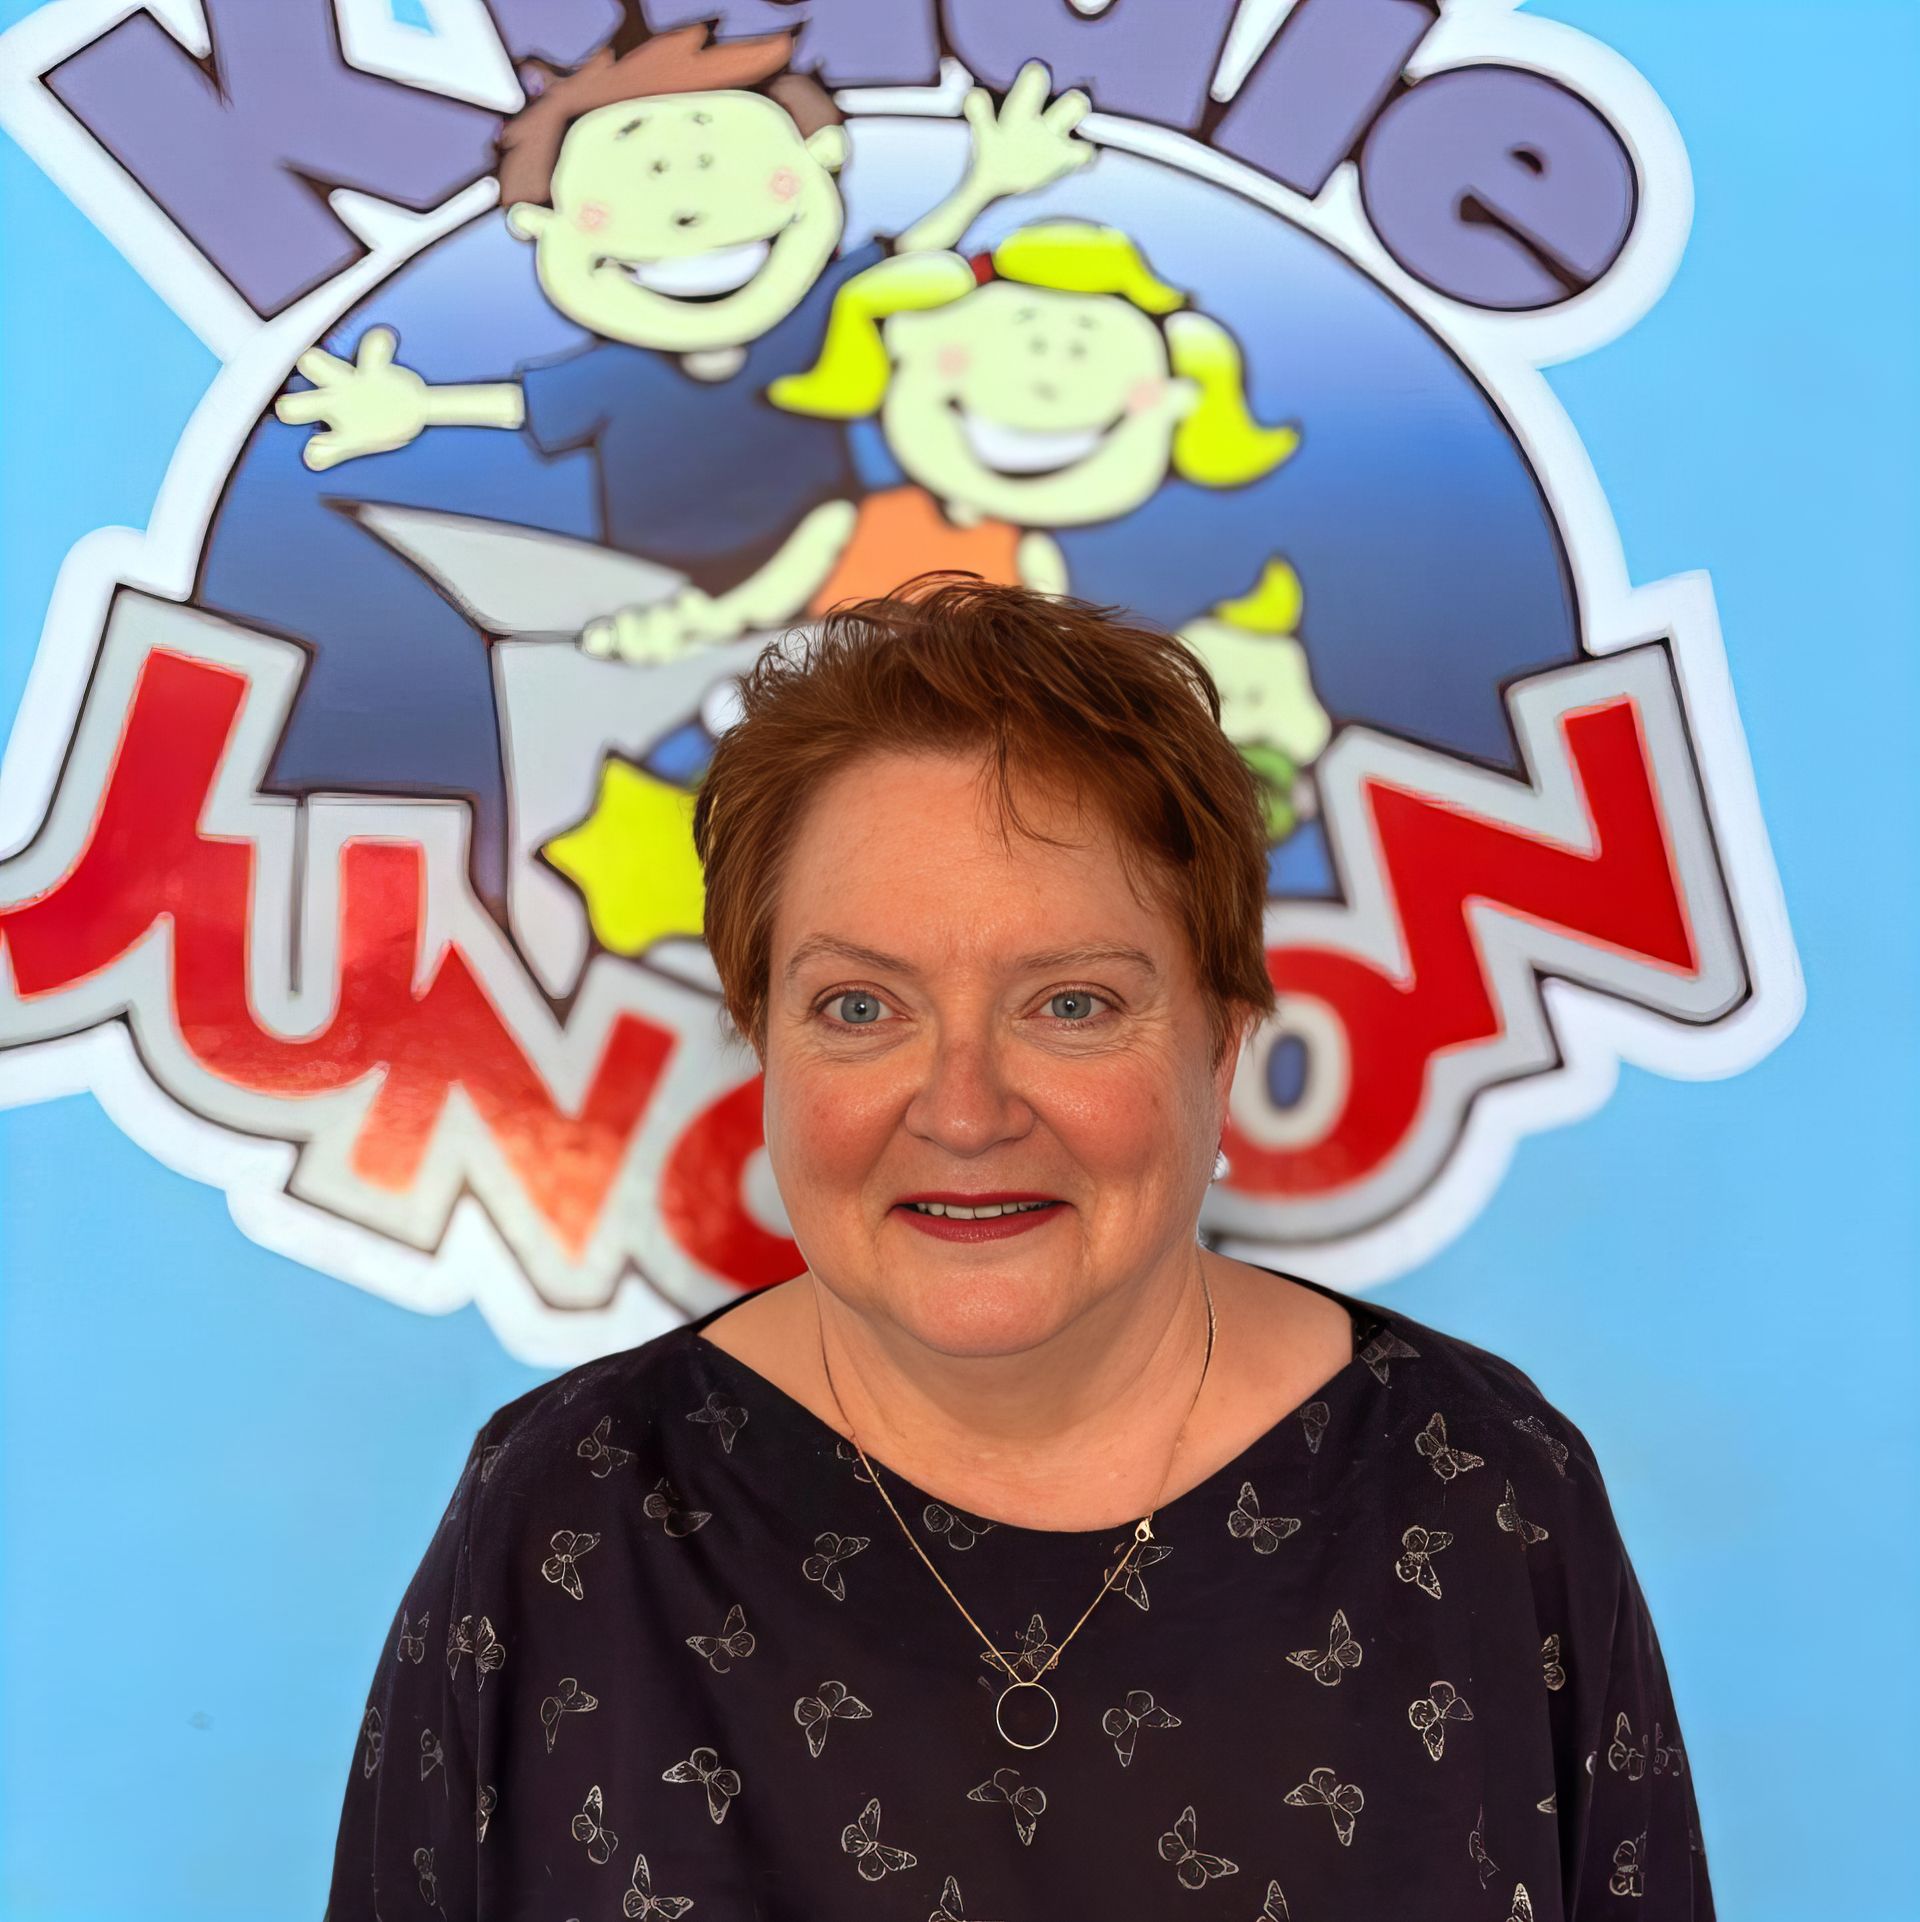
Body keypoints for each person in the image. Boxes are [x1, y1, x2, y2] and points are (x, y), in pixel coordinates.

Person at [323, 579, 1715, 1919]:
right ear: (761, 1040)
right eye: (862, 1005)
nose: (966, 1107)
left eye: (1071, 1002)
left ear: (1223, 1040)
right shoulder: (570, 1516)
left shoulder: (1481, 1492)